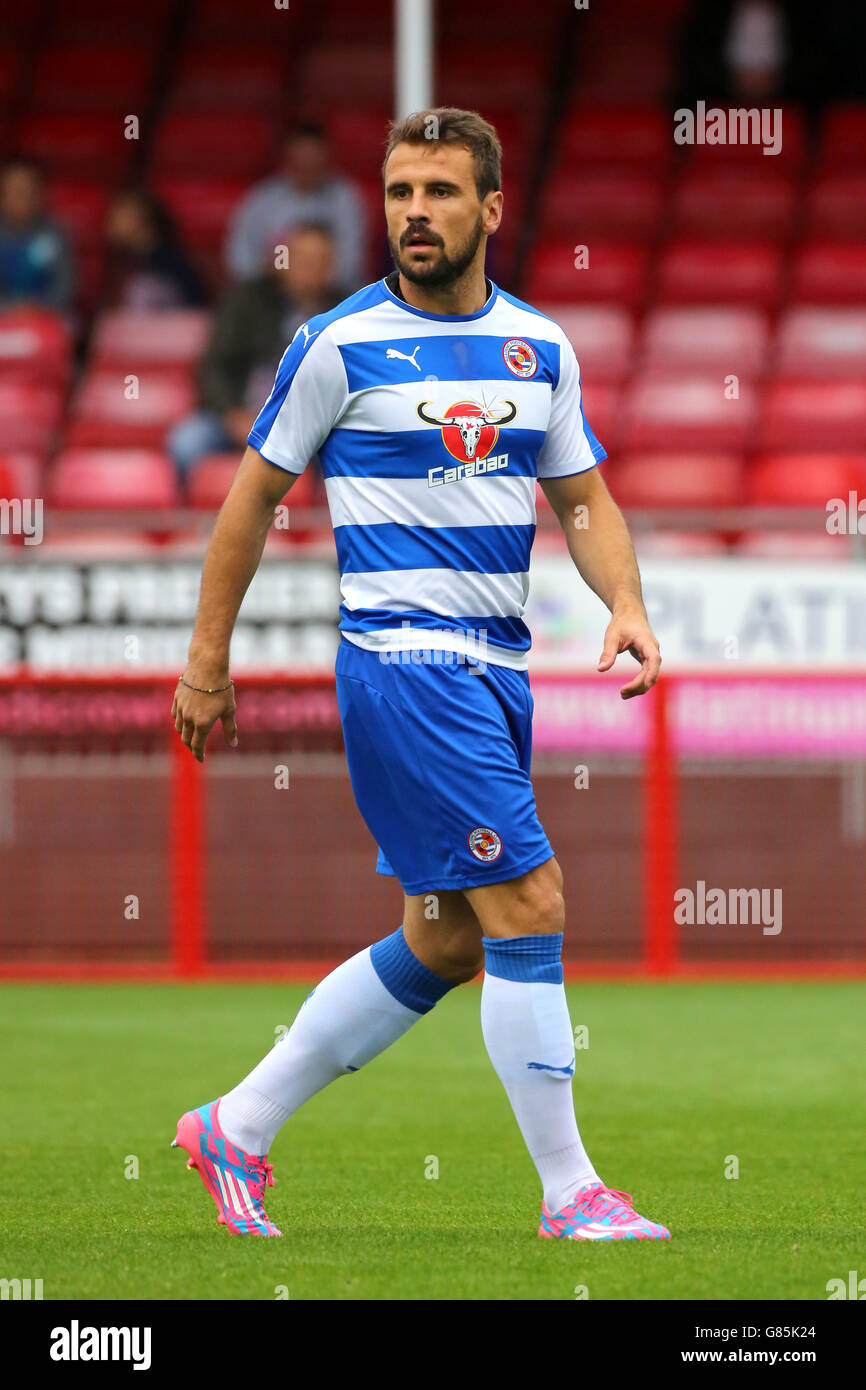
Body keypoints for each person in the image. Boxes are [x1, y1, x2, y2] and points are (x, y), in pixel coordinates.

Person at [170, 108, 669, 1244]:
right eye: (398, 192)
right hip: (403, 664)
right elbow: (249, 500)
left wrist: (626, 604)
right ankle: (569, 1192)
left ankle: (233, 1128)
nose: (413, 214)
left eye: (440, 193)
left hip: (496, 667)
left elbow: (579, 498)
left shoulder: (538, 348)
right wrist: (208, 660)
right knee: (530, 900)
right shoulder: (337, 344)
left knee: (447, 935)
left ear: (491, 208)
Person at [168, 223, 339, 479]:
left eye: (318, 261)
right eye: (302, 259)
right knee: (186, 442)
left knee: (347, 450)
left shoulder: (346, 311)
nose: (309, 269)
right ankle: (196, 519)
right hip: (238, 417)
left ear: (331, 268)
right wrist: (233, 415)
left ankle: (318, 519)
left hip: (309, 428)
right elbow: (213, 368)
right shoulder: (245, 301)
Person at [224, 120, 367, 292]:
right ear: (286, 157)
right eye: (301, 157)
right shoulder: (262, 199)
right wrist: (280, 270)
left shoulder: (345, 198)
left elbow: (350, 264)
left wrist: (312, 275)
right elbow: (240, 261)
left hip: (332, 295)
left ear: (327, 157)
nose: (307, 165)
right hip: (271, 293)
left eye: (313, 157)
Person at [103, 189, 208, 311]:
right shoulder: (127, 261)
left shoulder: (171, 263)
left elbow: (192, 311)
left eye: (119, 215)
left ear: (141, 220)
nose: (111, 223)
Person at [0, 154, 75, 312]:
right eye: (13, 190)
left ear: (39, 194)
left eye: (26, 190)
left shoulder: (56, 233)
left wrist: (36, 308)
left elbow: (66, 287)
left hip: (46, 316)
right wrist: (10, 309)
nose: (19, 196)